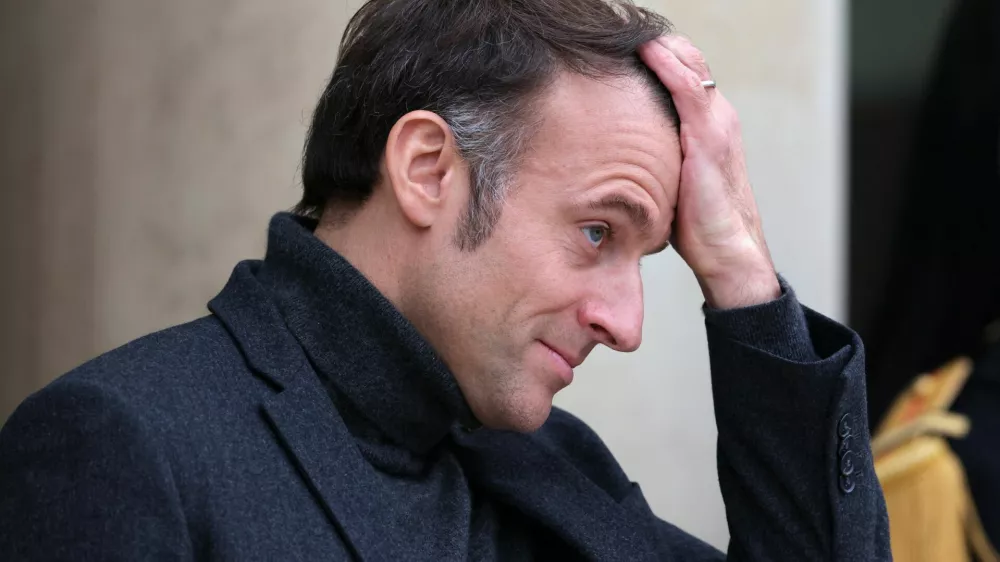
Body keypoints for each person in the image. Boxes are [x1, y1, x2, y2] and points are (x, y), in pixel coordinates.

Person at [0, 0, 890, 560]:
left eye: (649, 254)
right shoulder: (121, 444)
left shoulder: (554, 463)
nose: (626, 323)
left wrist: (737, 264)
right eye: (595, 231)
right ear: (428, 168)